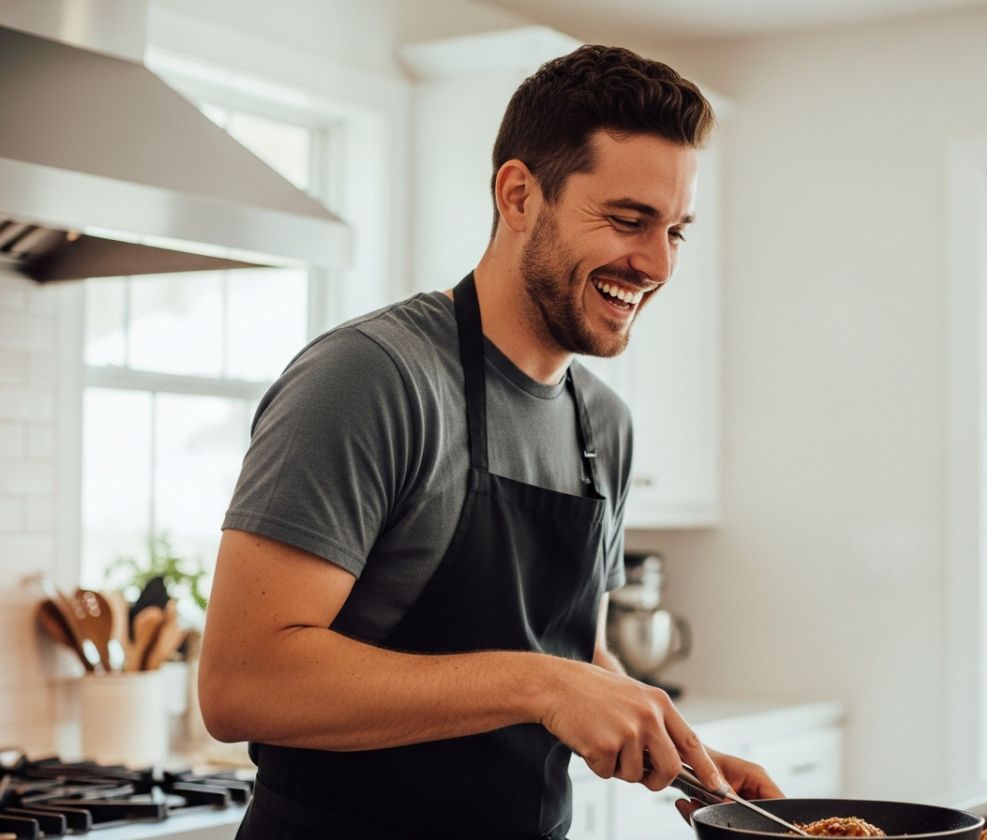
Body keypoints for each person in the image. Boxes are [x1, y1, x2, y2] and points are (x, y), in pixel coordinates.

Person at [199, 44, 783, 840]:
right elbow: (241, 685)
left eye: (676, 230)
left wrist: (685, 757)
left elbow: (568, 655)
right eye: (627, 220)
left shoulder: (604, 425)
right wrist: (541, 686)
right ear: (518, 195)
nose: (656, 264)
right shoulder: (374, 377)